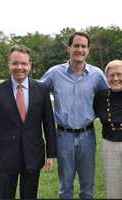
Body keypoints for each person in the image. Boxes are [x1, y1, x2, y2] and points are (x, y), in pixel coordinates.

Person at [41, 32, 108, 199]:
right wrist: (7, 85)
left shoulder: (97, 75)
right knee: (65, 188)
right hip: (64, 137)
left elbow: (110, 97)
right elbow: (35, 91)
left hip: (88, 136)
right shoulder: (55, 73)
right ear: (68, 48)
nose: (80, 49)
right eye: (76, 46)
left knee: (87, 188)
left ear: (88, 50)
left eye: (83, 46)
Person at [0, 44, 56, 199]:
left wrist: (51, 154)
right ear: (8, 64)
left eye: (24, 63)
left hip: (33, 154)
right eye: (15, 63)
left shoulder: (42, 90)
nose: (19, 67)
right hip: (4, 157)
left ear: (30, 65)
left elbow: (49, 124)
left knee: (29, 196)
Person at [94, 60, 122, 198]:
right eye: (111, 75)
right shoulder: (100, 96)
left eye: (119, 74)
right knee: (113, 189)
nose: (115, 78)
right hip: (109, 146)